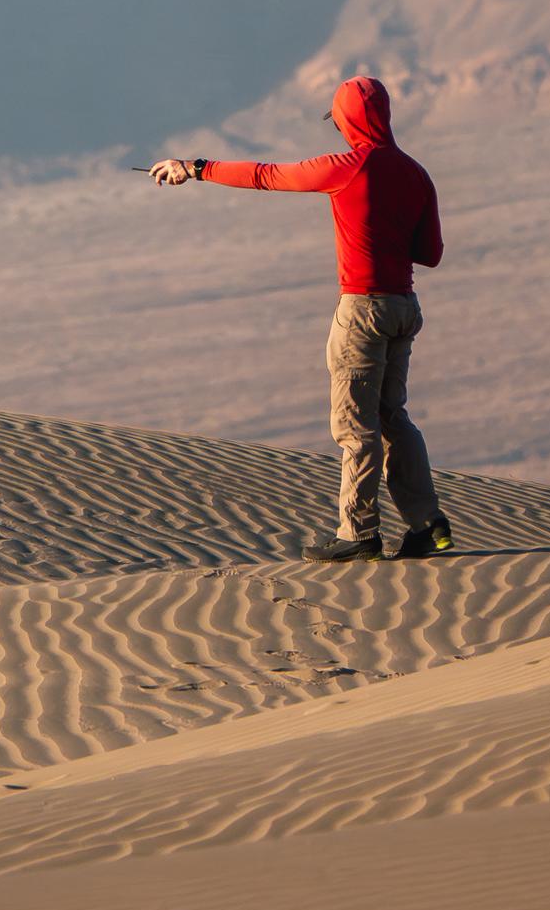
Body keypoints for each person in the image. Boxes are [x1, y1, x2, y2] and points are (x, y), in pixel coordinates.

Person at [149, 76, 453, 561]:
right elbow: (431, 254)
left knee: (355, 426)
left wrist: (195, 167)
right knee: (394, 416)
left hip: (363, 310)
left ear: (348, 119)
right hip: (403, 307)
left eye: (339, 121)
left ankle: (358, 534)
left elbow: (267, 175)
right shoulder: (416, 173)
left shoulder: (349, 166)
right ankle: (427, 524)